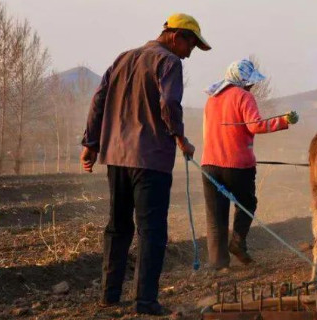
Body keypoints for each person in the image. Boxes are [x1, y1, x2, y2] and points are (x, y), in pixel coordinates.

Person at [80, 13, 210, 315]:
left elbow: (98, 100)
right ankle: (145, 301)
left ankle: (109, 295)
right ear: (177, 37)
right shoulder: (169, 62)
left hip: (116, 157)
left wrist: (91, 144)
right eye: (191, 45)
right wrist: (180, 137)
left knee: (118, 227)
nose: (190, 54)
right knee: (151, 231)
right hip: (150, 159)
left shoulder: (123, 58)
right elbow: (168, 103)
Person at [200, 59, 299, 270]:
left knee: (216, 215)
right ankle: (237, 243)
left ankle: (218, 264)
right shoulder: (244, 96)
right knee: (246, 204)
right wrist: (284, 120)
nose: (252, 86)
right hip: (237, 166)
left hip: (209, 164)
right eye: (251, 82)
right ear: (243, 80)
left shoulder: (211, 99)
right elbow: (255, 126)